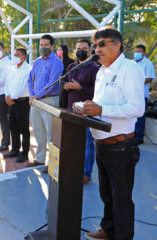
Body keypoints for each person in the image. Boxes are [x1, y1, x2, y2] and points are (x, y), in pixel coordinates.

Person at [73, 27, 145, 240]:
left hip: (120, 146)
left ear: (117, 44)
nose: (97, 49)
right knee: (107, 194)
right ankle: (109, 230)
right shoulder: (101, 71)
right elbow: (100, 104)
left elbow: (137, 108)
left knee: (121, 198)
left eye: (102, 44)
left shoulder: (129, 69)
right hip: (101, 143)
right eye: (95, 45)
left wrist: (101, 110)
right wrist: (85, 108)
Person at [64, 39, 100, 184]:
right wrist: (66, 86)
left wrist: (79, 88)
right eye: (78, 48)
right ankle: (73, 169)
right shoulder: (71, 66)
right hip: (71, 111)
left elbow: (97, 92)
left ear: (89, 50)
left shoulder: (95, 68)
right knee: (71, 143)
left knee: (87, 144)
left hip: (86, 113)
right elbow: (64, 82)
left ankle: (86, 173)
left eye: (84, 48)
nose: (81, 51)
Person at [27, 34, 64, 172]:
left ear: (52, 46)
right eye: (41, 45)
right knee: (38, 131)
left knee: (51, 133)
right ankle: (39, 159)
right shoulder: (37, 61)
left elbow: (52, 84)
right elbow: (30, 80)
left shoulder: (56, 62)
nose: (43, 47)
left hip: (49, 100)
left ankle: (53, 164)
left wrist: (36, 96)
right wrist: (31, 95)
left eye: (46, 45)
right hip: (35, 101)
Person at [4, 47, 31, 163]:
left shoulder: (28, 69)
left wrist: (12, 97)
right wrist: (7, 96)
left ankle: (24, 153)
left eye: (17, 55)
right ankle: (15, 149)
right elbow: (7, 83)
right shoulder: (12, 69)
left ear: (23, 57)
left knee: (23, 128)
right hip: (11, 102)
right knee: (13, 126)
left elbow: (25, 87)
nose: (14, 57)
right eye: (13, 54)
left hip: (22, 101)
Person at [133, 44, 155, 145]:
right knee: (132, 115)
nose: (136, 54)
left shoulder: (148, 63)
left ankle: (139, 137)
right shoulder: (131, 63)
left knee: (140, 116)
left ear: (144, 53)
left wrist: (136, 83)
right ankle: (131, 136)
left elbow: (149, 77)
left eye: (139, 52)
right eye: (135, 52)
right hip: (130, 94)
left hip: (141, 94)